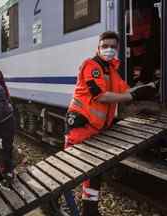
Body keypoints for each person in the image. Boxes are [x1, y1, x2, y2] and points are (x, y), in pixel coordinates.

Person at [63, 31, 157, 216]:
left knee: (94, 173)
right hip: (80, 127)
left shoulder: (113, 72)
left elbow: (126, 92)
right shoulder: (91, 66)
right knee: (70, 172)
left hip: (96, 129)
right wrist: (133, 95)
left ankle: (89, 210)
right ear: (98, 47)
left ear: (118, 48)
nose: (109, 50)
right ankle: (53, 201)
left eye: (113, 46)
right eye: (105, 46)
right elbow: (100, 95)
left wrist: (145, 90)